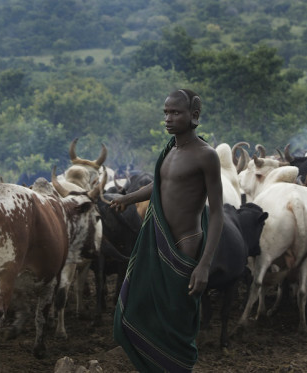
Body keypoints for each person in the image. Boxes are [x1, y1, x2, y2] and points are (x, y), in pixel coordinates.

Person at [111, 88, 224, 372]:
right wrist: (127, 198)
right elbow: (161, 187)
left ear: (194, 115)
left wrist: (204, 265)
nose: (168, 118)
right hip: (157, 244)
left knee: (176, 325)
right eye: (165, 112)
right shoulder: (169, 151)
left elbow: (219, 212)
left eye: (175, 112)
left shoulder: (206, 156)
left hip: (185, 248)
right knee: (134, 315)